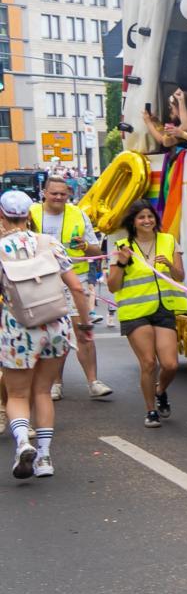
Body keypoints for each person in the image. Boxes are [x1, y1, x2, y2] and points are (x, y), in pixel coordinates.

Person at [0, 189, 93, 479]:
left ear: (2, 216)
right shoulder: (49, 243)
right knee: (43, 391)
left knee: (17, 393)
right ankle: (44, 458)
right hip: (56, 324)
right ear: (29, 215)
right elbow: (77, 287)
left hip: (18, 327)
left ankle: (23, 442)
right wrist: (85, 325)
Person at [107, 199, 187, 429]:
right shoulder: (122, 247)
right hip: (136, 311)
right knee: (148, 363)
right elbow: (113, 286)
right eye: (141, 217)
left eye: (150, 216)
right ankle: (150, 410)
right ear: (133, 222)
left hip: (163, 308)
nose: (146, 220)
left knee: (171, 365)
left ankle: (160, 390)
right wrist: (122, 264)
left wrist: (170, 266)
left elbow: (180, 276)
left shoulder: (169, 241)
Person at [29, 176, 111, 401]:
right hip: (41, 281)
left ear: (69, 195)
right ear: (44, 192)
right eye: (54, 193)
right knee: (52, 334)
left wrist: (85, 246)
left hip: (77, 278)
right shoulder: (31, 213)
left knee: (83, 330)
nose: (58, 197)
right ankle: (55, 383)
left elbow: (95, 250)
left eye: (63, 194)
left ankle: (93, 382)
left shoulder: (78, 214)